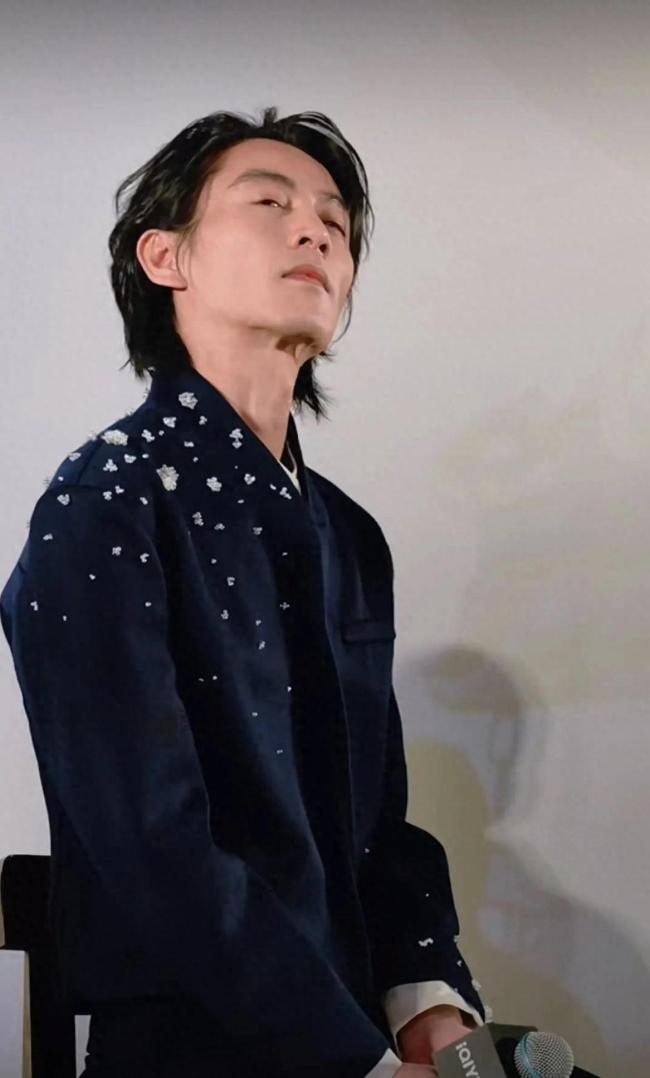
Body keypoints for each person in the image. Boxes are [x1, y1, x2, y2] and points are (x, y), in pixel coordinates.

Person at [0, 107, 486, 1077]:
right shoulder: (106, 499)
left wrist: (428, 999)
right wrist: (352, 1059)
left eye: (335, 222)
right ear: (164, 257)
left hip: (364, 1031)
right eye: (269, 204)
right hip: (190, 1048)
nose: (316, 232)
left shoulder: (349, 533)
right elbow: (149, 842)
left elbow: (376, 818)